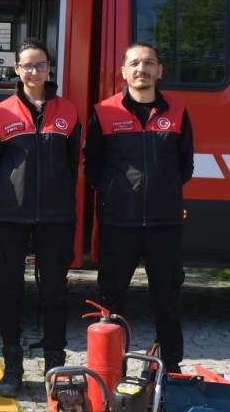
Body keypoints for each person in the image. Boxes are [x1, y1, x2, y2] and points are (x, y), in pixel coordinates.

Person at [83, 41, 194, 374]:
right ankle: (109, 369)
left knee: (168, 301)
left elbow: (184, 166)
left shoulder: (177, 112)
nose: (141, 69)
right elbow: (93, 166)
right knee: (112, 302)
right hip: (119, 224)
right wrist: (117, 196)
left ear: (159, 70)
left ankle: (170, 369)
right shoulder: (105, 111)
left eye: (148, 63)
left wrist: (164, 194)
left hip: (165, 225)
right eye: (134, 63)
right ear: (123, 71)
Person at [0, 39, 81, 397]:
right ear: (16, 70)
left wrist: (53, 196)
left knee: (54, 291)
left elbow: (72, 165)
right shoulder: (1, 112)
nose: (34, 71)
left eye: (40, 65)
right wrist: (14, 194)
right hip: (9, 217)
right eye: (27, 65)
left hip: (56, 217)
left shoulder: (68, 111)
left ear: (50, 68)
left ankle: (54, 364)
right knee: (10, 291)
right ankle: (13, 365)